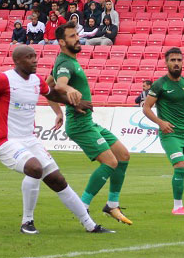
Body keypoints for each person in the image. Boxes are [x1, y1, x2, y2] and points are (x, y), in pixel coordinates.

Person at [0, 45, 113, 234]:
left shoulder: (37, 81)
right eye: (29, 57)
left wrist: (74, 102)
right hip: (6, 141)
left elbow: (52, 94)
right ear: (18, 61)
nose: (35, 60)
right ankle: (27, 222)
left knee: (58, 180)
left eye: (35, 56)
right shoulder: (3, 80)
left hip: (30, 139)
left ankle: (90, 225)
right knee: (35, 168)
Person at [48, 23, 132, 224]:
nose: (77, 38)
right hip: (80, 124)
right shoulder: (66, 64)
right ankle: (83, 208)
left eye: (76, 34)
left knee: (123, 155)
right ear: (61, 42)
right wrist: (68, 92)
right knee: (111, 162)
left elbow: (47, 87)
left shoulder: (66, 61)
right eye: (71, 36)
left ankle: (112, 205)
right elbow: (59, 85)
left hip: (88, 121)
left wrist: (58, 111)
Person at [142, 48, 184, 215]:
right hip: (170, 133)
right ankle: (177, 207)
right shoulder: (160, 84)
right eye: (172, 60)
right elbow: (146, 108)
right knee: (180, 166)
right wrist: (160, 123)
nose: (176, 63)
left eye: (179, 60)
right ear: (166, 63)